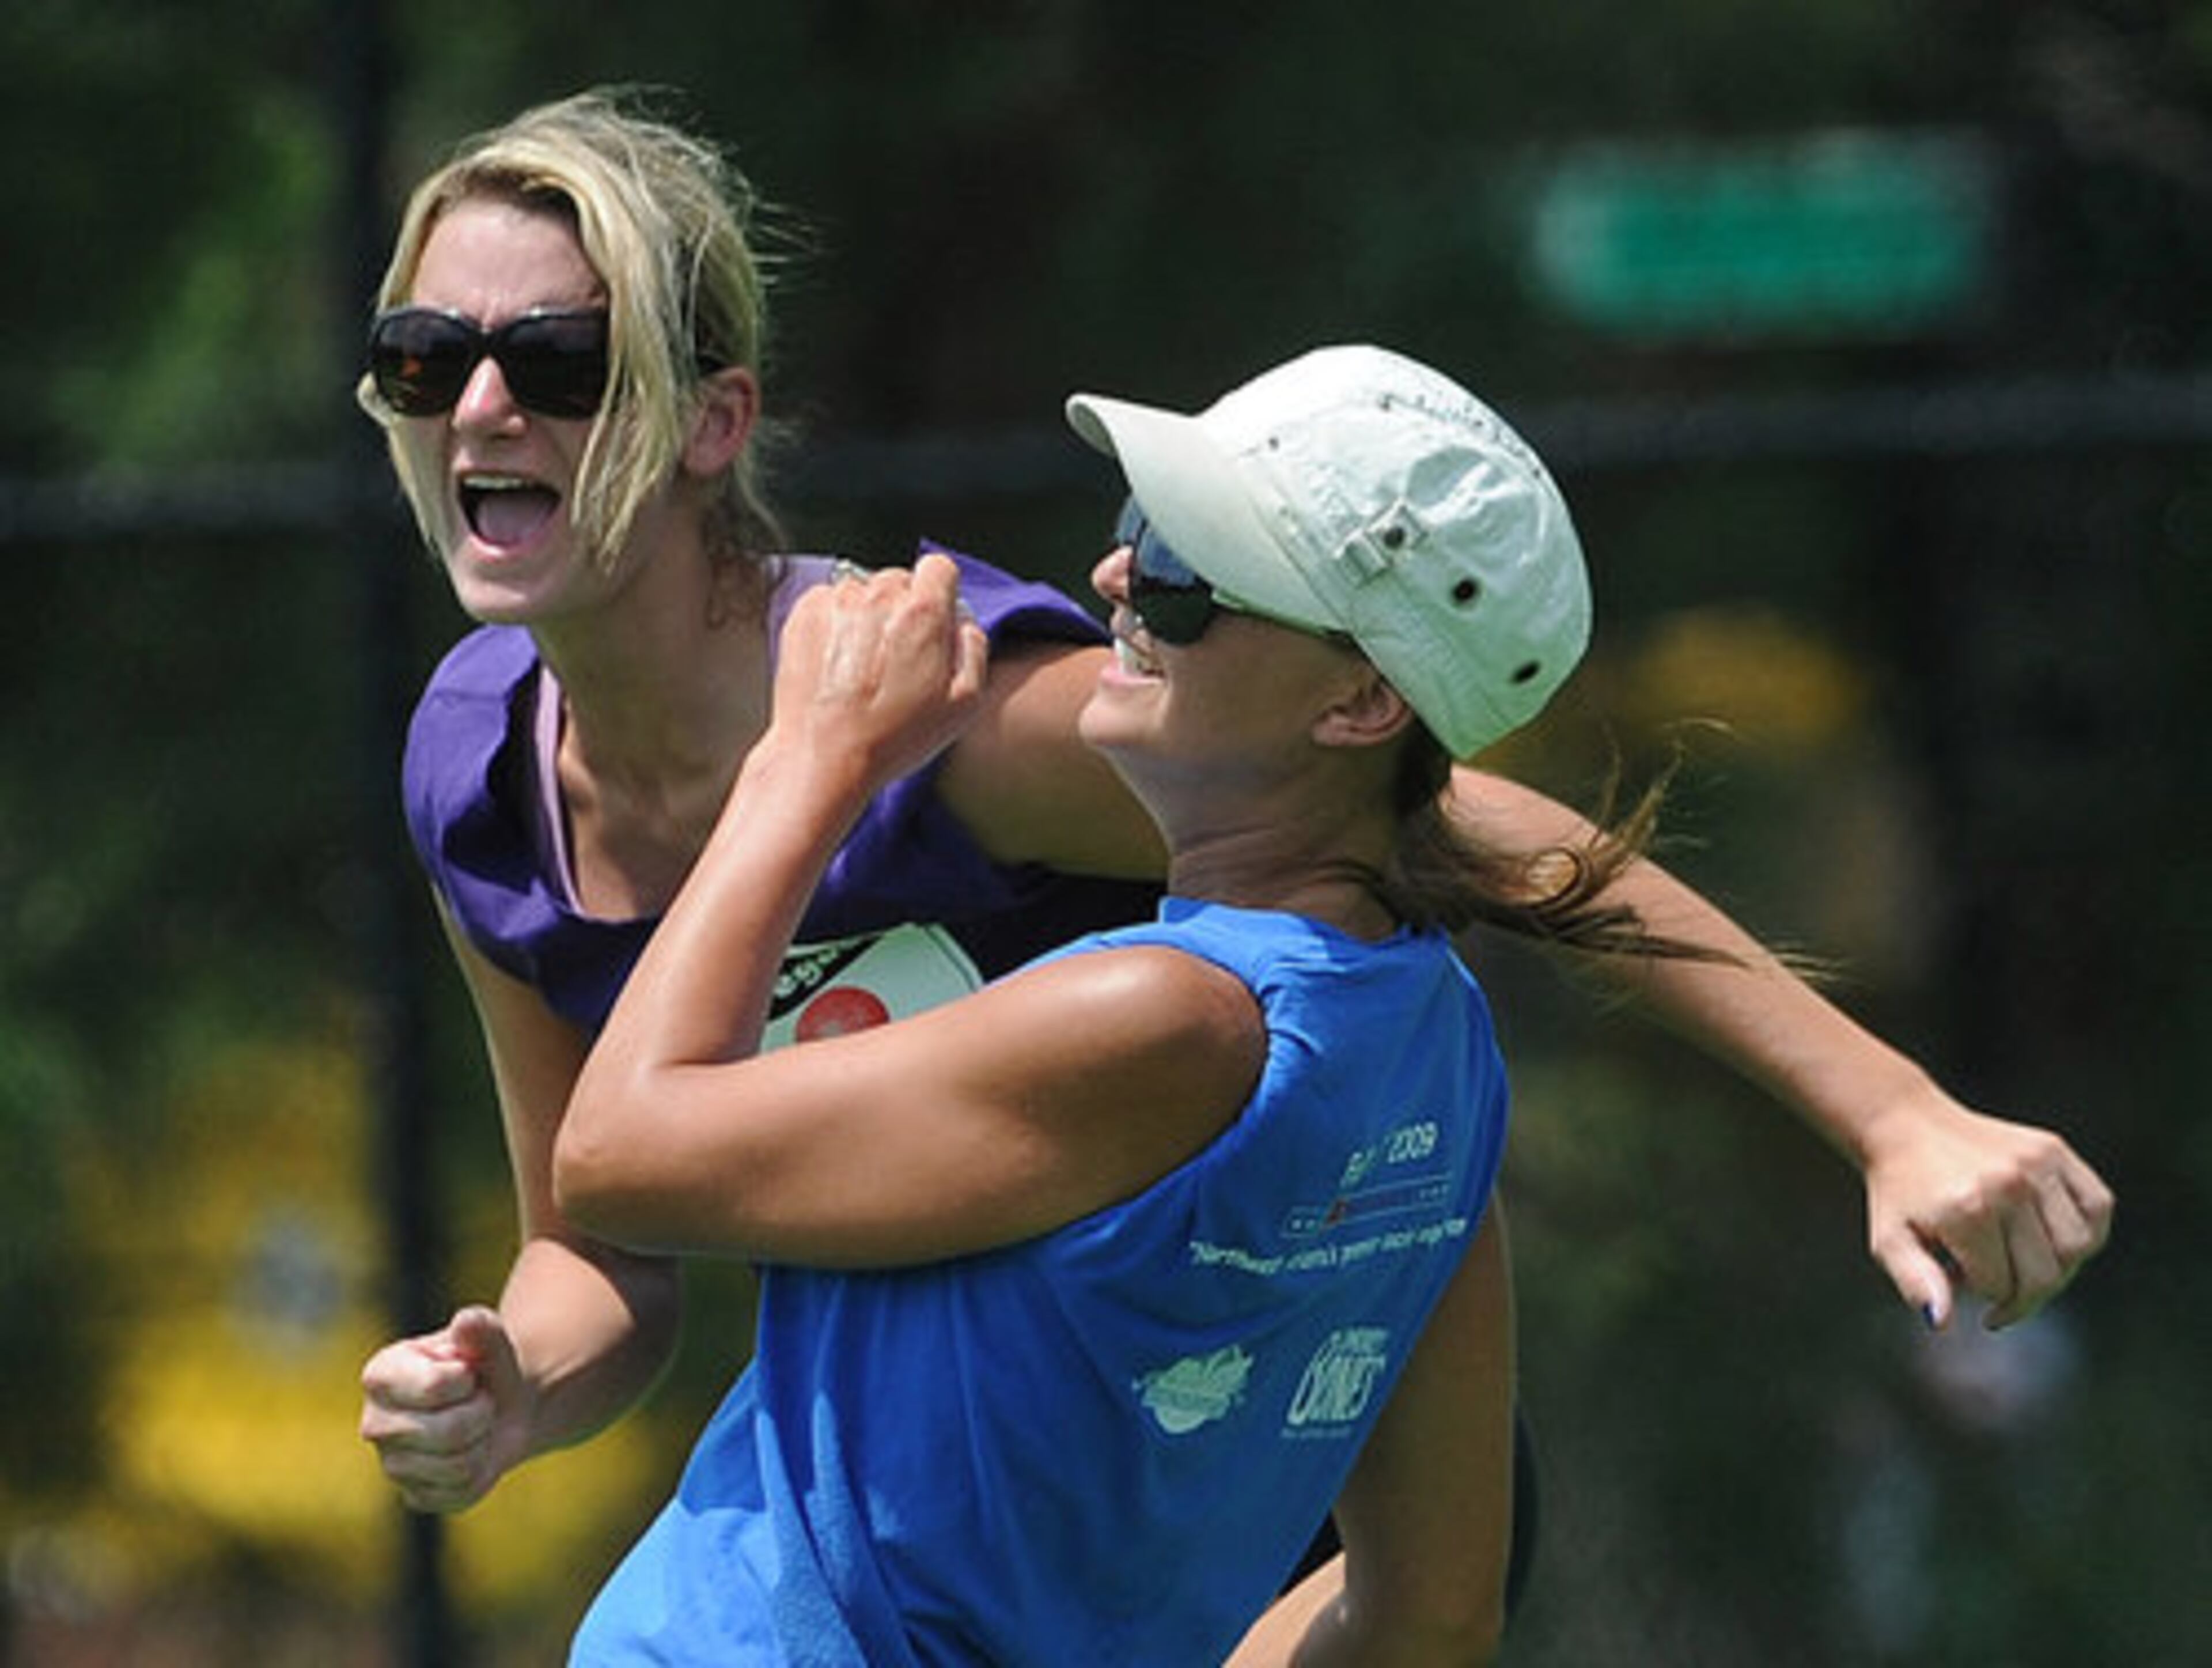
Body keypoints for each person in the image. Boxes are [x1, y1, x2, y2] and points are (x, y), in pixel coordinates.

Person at [354, 89, 2111, 1539]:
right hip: (969, 1527)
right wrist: (517, 1382)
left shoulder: (934, 716)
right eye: (427, 357)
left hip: (1232, 1486)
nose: (485, 405)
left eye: (561, 359)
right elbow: (605, 1243)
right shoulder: (474, 782)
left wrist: (1890, 1110)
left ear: (711, 420)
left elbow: (1463, 827)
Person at [554, 342, 1589, 1663]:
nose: (1117, 577)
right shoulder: (1439, 1056)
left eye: (1187, 578)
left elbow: (616, 1155)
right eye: (1139, 536)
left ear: (1364, 700)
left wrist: (812, 758)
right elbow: (1429, 1612)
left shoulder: (1172, 1016)